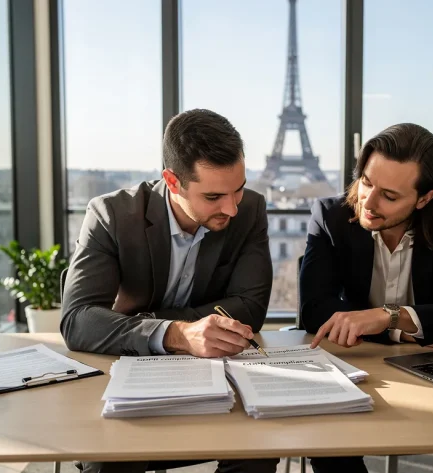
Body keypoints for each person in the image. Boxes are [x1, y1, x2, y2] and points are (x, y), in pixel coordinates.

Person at [62, 109, 279, 473]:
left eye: (237, 189)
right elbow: (78, 320)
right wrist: (178, 334)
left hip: (218, 373)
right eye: (213, 197)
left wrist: (138, 322)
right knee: (109, 457)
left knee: (258, 447)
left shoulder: (251, 208)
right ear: (172, 181)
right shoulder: (111, 214)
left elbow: (250, 308)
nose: (232, 207)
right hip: (129, 372)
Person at [299, 123, 433, 473]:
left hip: (430, 374)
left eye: (390, 196)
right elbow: (315, 310)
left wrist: (387, 315)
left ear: (425, 198)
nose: (368, 201)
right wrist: (403, 326)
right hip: (355, 366)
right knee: (329, 442)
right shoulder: (331, 217)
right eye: (366, 182)